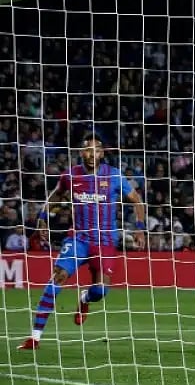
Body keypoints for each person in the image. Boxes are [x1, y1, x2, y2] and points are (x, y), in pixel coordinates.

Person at [19, 133, 146, 350]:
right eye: (88, 149)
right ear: (81, 153)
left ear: (102, 153)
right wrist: (42, 219)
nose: (91, 154)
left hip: (105, 241)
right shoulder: (70, 176)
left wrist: (140, 230)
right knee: (58, 277)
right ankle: (34, 337)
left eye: (96, 150)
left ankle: (85, 298)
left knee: (101, 291)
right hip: (78, 238)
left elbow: (137, 200)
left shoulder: (114, 176)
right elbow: (55, 196)